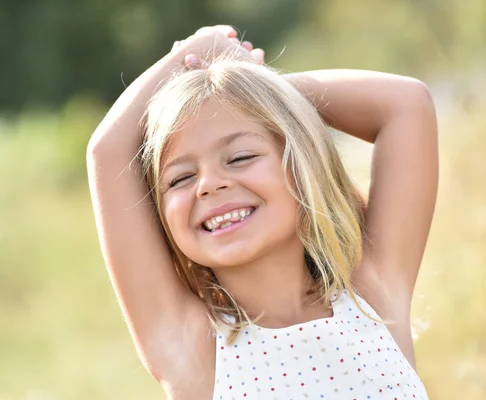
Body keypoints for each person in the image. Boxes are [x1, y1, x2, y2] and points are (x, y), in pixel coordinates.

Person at [87, 25, 438, 399]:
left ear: (302, 166)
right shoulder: (194, 350)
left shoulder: (373, 298)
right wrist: (195, 51)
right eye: (181, 178)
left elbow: (407, 104)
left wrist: (248, 86)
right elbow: (107, 154)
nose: (208, 184)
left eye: (240, 157)